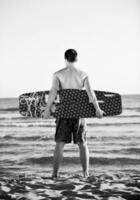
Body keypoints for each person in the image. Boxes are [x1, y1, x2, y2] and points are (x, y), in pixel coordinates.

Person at [42, 49, 104, 178]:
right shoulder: (83, 74)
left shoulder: (58, 74)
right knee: (82, 143)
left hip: (63, 113)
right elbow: (90, 93)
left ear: (65, 59)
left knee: (60, 143)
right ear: (77, 59)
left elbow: (53, 91)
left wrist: (47, 109)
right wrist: (97, 109)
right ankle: (85, 174)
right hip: (79, 114)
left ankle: (54, 174)